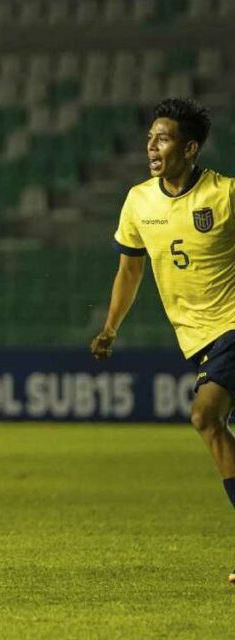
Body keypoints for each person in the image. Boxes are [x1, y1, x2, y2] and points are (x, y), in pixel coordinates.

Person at [90, 97, 235, 585]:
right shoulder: (138, 201)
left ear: (190, 148)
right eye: (150, 137)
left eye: (164, 138)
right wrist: (111, 328)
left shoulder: (225, 196)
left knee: (204, 415)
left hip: (232, 327)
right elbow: (130, 269)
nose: (152, 146)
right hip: (199, 340)